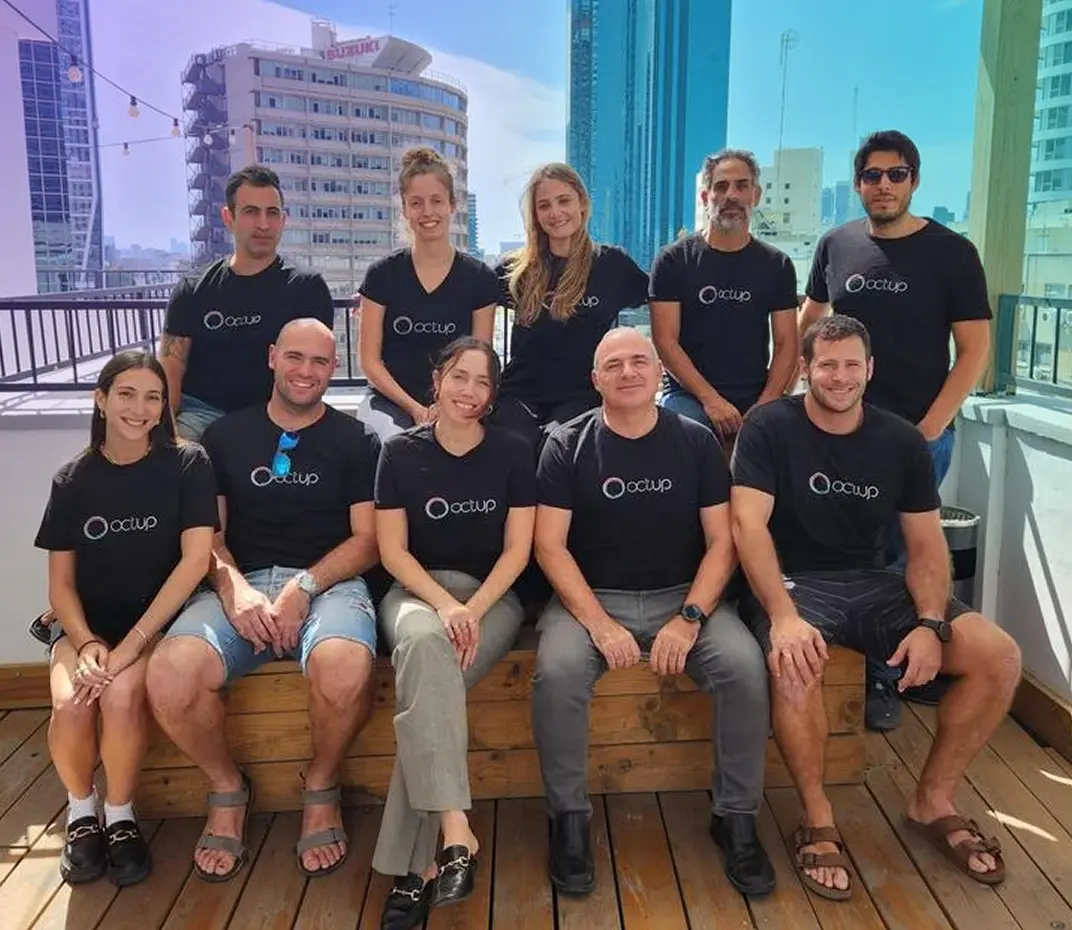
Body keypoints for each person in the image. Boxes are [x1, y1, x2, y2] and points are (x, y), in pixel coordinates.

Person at [730, 314, 1020, 901]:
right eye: (827, 365)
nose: (840, 377)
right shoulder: (768, 426)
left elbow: (925, 543)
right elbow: (747, 526)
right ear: (805, 369)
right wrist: (783, 617)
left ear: (870, 370)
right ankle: (817, 816)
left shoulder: (901, 440)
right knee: (794, 665)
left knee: (999, 656)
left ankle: (932, 800)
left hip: (870, 580)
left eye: (851, 365)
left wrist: (933, 623)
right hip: (792, 583)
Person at [532, 327, 774, 899]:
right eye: (612, 365)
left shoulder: (694, 442)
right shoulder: (566, 444)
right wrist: (599, 623)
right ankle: (567, 819)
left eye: (639, 360)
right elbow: (550, 547)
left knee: (743, 666)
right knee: (558, 672)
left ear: (659, 373)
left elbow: (723, 542)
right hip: (590, 600)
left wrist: (690, 617)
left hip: (683, 597)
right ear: (595, 381)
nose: (628, 372)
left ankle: (735, 817)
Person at [146, 319, 381, 882]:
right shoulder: (225, 437)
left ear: (332, 367)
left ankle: (321, 782)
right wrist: (235, 588)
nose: (306, 371)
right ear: (273, 357)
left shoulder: (356, 440)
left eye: (320, 362)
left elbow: (368, 541)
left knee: (346, 667)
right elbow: (210, 539)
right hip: (241, 582)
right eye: (295, 357)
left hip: (328, 585)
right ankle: (228, 788)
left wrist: (304, 586)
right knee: (170, 675)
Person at [799, 131, 992, 731]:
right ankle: (849, 678)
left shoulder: (952, 252)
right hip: (838, 434)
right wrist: (795, 398)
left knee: (905, 558)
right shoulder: (836, 244)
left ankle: (887, 679)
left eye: (897, 173)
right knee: (850, 553)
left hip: (915, 435)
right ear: (857, 183)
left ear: (913, 182)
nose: (884, 184)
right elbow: (809, 325)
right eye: (873, 174)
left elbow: (975, 350)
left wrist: (930, 427)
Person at [34, 350, 217, 887]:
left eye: (153, 397)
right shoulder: (72, 480)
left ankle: (120, 816)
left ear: (165, 407)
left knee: (117, 696)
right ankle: (81, 811)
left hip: (154, 626)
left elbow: (195, 561)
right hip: (86, 629)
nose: (141, 408)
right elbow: (60, 586)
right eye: (127, 395)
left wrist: (135, 642)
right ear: (102, 400)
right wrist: (87, 641)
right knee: (71, 706)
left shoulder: (189, 464)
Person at [372, 337, 535, 929]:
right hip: (417, 595)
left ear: (493, 395)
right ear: (437, 380)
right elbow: (391, 551)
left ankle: (412, 873)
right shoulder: (399, 453)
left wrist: (472, 607)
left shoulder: (515, 453)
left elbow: (519, 551)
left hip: (492, 596)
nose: (469, 391)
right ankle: (455, 831)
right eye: (459, 377)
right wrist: (444, 605)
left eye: (482, 382)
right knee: (422, 647)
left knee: (428, 688)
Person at [159, 165, 336, 441]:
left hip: (275, 413)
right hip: (202, 413)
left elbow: (314, 370)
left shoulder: (306, 288)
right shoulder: (193, 289)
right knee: (174, 466)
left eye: (272, 213)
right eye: (251, 212)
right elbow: (171, 372)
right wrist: (168, 440)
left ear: (283, 220)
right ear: (228, 218)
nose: (263, 224)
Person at [491, 163, 650, 452]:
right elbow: (466, 298)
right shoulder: (516, 270)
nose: (555, 213)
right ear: (536, 216)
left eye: (564, 201)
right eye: (544, 205)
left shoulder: (612, 265)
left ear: (582, 204)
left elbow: (665, 300)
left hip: (583, 394)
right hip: (520, 394)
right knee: (512, 448)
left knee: (560, 445)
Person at [650, 149, 799, 442]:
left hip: (756, 392)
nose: (731, 195)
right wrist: (710, 399)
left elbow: (786, 344)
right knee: (685, 438)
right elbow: (665, 341)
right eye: (721, 186)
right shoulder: (673, 260)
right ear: (706, 198)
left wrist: (766, 404)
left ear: (755, 195)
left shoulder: (776, 265)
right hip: (689, 394)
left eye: (741, 186)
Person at [357, 147, 500, 440]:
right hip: (391, 399)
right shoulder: (382, 275)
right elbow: (370, 362)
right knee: (393, 443)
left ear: (452, 205)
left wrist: (445, 406)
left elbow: (479, 359)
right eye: (416, 203)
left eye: (436, 201)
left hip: (457, 399)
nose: (427, 212)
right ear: (405, 210)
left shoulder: (480, 279)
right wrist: (415, 409)